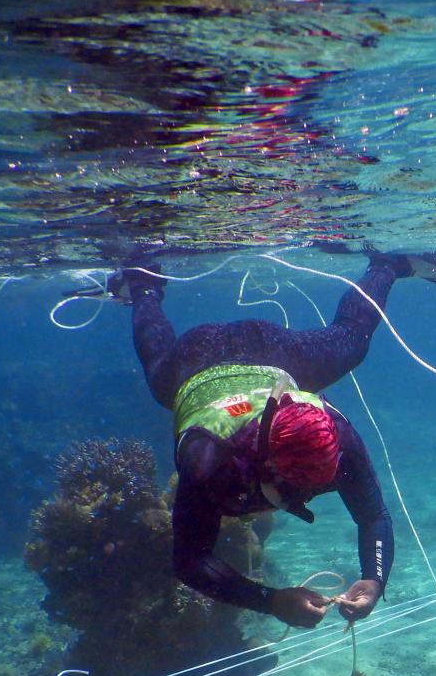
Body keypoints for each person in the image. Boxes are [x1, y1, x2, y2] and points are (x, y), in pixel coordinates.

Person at [111, 253, 415, 629]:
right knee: (160, 373)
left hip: (272, 353)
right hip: (197, 360)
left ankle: (387, 264)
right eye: (299, 487)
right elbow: (189, 559)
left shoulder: (339, 436)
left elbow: (373, 515)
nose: (306, 496)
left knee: (353, 343)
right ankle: (143, 286)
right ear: (265, 461)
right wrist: (269, 601)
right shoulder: (208, 459)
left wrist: (374, 578)